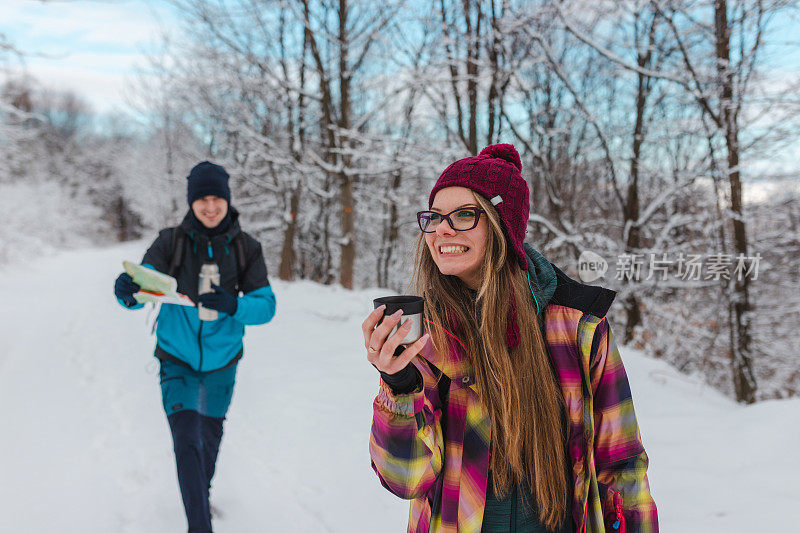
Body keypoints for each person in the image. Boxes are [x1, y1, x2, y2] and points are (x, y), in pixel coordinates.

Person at [363, 144, 657, 533]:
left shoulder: (579, 329)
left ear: (503, 225)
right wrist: (398, 384)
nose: (442, 229)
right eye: (433, 218)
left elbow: (622, 466)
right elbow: (406, 479)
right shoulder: (424, 334)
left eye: (464, 215)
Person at [113, 161, 276, 533]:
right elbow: (142, 287)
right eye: (201, 198)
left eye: (216, 197)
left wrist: (233, 305)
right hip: (176, 358)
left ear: (227, 199)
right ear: (191, 202)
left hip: (223, 362)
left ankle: (199, 497)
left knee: (208, 441)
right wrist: (126, 293)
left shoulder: (246, 248)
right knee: (186, 440)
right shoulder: (170, 241)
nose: (209, 206)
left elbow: (266, 307)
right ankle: (199, 525)